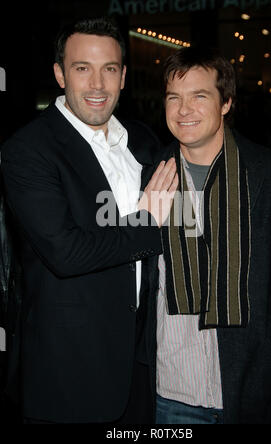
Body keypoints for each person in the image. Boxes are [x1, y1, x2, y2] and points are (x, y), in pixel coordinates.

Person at [0, 17, 178, 424]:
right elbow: (67, 252)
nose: (97, 85)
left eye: (109, 69)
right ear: (60, 74)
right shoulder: (29, 149)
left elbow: (201, 189)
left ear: (124, 77)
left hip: (144, 365)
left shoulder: (143, 140)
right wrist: (149, 223)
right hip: (71, 372)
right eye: (83, 68)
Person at [143, 47, 271, 425]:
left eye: (200, 96)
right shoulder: (146, 177)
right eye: (174, 98)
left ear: (226, 102)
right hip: (168, 393)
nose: (184, 110)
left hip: (254, 389)